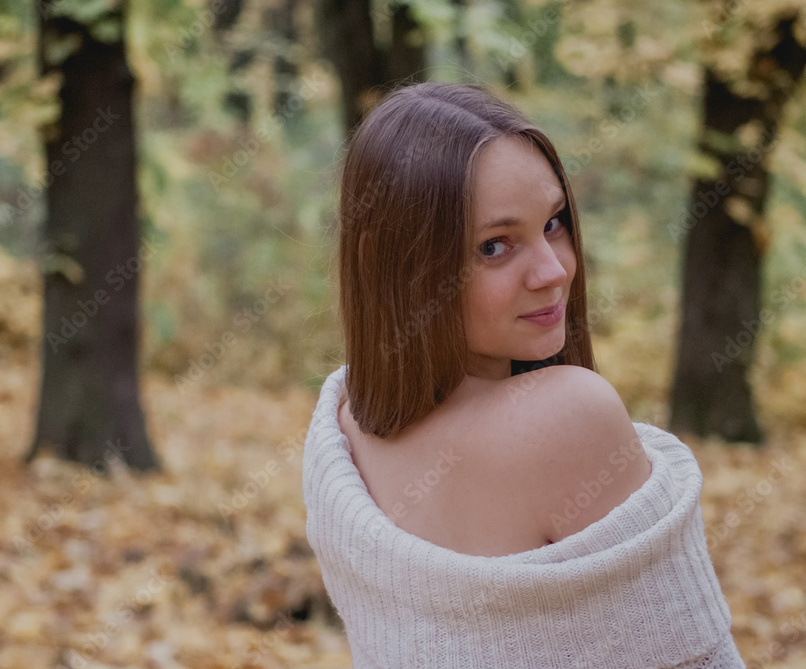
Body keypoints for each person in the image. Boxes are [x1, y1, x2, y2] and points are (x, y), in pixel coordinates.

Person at [302, 82, 746, 668]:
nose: (553, 270)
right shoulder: (566, 416)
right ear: (388, 263)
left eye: (554, 222)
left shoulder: (338, 435)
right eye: (494, 247)